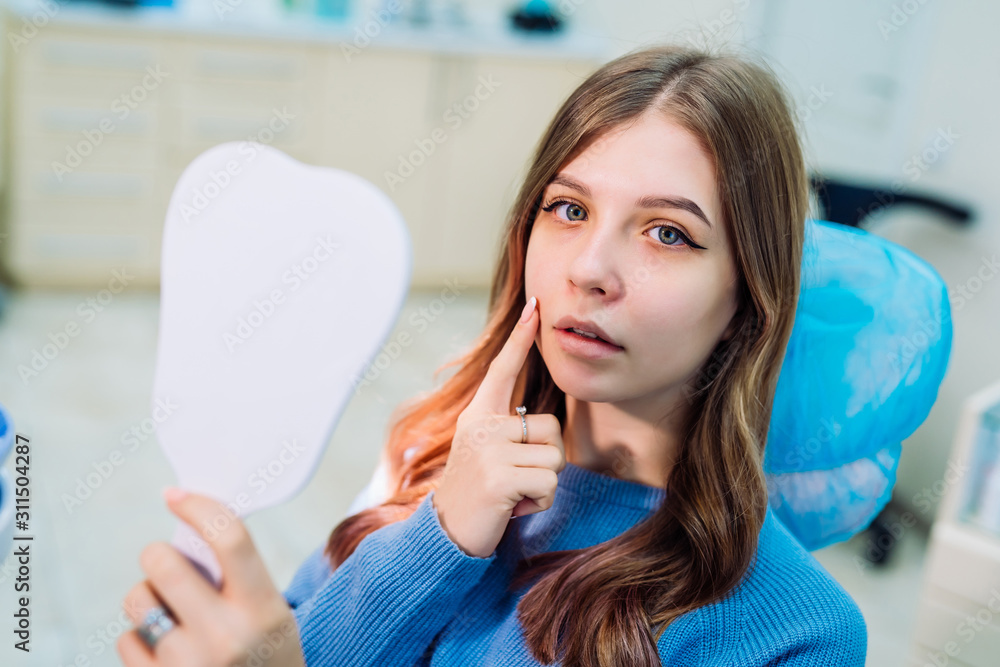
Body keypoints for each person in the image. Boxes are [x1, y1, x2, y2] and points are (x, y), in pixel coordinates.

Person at [118, 43, 868, 666]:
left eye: (667, 232)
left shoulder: (799, 633)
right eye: (569, 209)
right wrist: (440, 532)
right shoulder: (431, 453)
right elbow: (290, 640)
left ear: (747, 300)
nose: (589, 268)